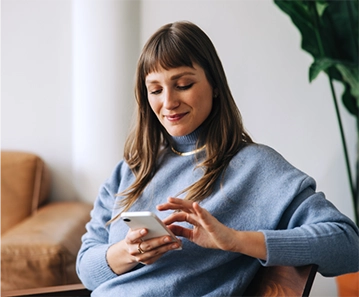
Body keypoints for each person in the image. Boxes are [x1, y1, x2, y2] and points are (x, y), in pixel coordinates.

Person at [76, 21, 359, 296]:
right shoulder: (131, 170)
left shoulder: (255, 167)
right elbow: (86, 269)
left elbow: (348, 245)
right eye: (156, 90)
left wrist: (235, 240)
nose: (169, 102)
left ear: (215, 85)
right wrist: (128, 251)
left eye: (183, 84)